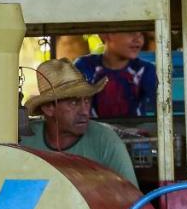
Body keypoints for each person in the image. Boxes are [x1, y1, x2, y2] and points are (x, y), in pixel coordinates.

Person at [20, 59, 139, 187]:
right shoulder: (26, 142)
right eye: (74, 102)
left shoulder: (106, 142)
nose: (85, 111)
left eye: (87, 101)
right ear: (49, 108)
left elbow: (134, 201)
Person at [74, 31, 158, 119]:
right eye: (131, 32)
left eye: (141, 34)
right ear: (106, 34)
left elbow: (162, 108)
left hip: (137, 131)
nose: (138, 40)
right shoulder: (85, 66)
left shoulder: (145, 69)